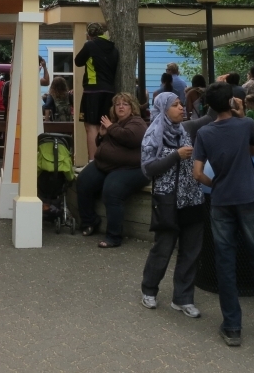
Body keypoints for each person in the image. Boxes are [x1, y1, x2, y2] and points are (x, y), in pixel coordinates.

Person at [192, 81, 254, 346]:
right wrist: (242, 115)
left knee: (225, 262)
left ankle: (232, 327)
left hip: (221, 201)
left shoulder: (205, 133)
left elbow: (198, 173)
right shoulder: (246, 125)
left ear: (208, 105)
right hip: (250, 198)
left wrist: (216, 184)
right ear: (232, 100)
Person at [140, 92, 205, 318]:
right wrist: (176, 155)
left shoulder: (187, 130)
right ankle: (149, 290)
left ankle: (183, 299)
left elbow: (211, 117)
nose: (181, 108)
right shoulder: (152, 135)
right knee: (163, 249)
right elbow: (149, 169)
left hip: (192, 199)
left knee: (191, 251)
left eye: (181, 104)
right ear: (163, 109)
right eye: (175, 105)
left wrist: (222, 89)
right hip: (167, 201)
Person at [76, 92, 148, 248]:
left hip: (130, 168)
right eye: (117, 104)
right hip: (105, 164)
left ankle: (114, 236)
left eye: (125, 104)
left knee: (112, 190)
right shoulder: (115, 122)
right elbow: (106, 143)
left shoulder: (137, 122)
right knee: (83, 181)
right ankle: (90, 221)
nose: (121, 107)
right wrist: (101, 135)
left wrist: (111, 127)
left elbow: (130, 138)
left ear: (132, 107)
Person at [74, 22, 119, 161]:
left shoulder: (90, 45)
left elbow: (78, 61)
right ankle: (105, 159)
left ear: (89, 35)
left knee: (91, 125)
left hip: (93, 90)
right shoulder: (114, 48)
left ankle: (93, 161)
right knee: (104, 124)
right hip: (109, 90)